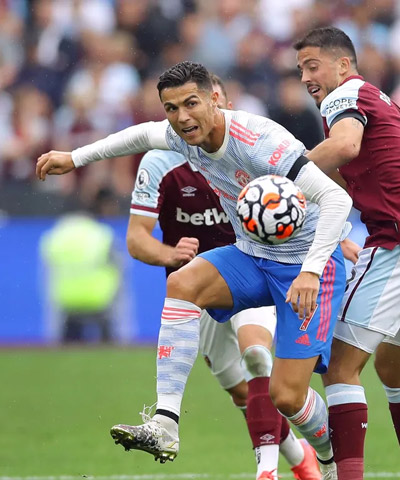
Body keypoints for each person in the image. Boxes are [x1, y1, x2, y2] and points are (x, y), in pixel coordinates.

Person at [37, 61, 354, 480]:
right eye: (171, 108)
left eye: (191, 103)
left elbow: (336, 200)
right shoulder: (179, 137)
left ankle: (330, 458)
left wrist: (312, 271)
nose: (182, 117)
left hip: (306, 266)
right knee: (182, 282)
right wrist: (73, 158)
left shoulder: (261, 142)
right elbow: (135, 136)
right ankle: (165, 423)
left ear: (215, 99)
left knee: (287, 396)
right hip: (252, 254)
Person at [127, 75, 320, 479]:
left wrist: (332, 241)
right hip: (205, 286)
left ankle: (266, 471)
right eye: (178, 110)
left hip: (253, 269)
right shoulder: (161, 161)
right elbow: (135, 239)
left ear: (220, 104)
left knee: (256, 355)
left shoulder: (250, 149)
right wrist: (170, 254)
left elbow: (302, 202)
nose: (191, 117)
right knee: (243, 391)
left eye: (200, 105)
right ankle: (300, 458)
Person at [294, 27, 400, 480]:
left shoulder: (344, 96)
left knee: (340, 367)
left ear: (343, 64)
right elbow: (351, 174)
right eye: (300, 69)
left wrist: (282, 177)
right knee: (393, 366)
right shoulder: (373, 99)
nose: (306, 77)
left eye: (313, 65)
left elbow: (345, 148)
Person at [40, 188, 122, 344]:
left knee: (69, 349)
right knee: (109, 351)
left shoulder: (54, 236)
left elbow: (47, 272)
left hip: (67, 300)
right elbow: (119, 271)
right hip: (99, 299)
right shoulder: (102, 234)